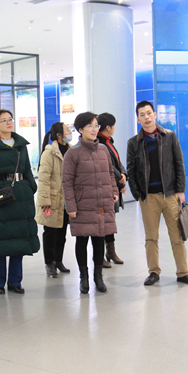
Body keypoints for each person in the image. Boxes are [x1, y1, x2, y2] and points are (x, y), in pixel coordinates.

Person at [126, 101, 188, 287]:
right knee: (151, 238)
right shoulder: (133, 143)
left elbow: (179, 164)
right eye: (142, 114)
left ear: (155, 115)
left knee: (177, 237)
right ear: (138, 119)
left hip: (170, 195)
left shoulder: (169, 136)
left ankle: (183, 273)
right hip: (148, 198)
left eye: (149, 113)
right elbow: (131, 170)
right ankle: (153, 272)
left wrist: (180, 190)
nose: (146, 117)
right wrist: (137, 194)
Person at [62, 112, 118, 294]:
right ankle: (84, 277)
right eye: (90, 126)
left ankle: (98, 277)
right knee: (82, 240)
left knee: (99, 240)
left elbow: (110, 174)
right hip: (82, 204)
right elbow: (67, 182)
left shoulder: (103, 150)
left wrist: (114, 191)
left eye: (96, 126)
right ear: (80, 129)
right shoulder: (73, 153)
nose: (94, 130)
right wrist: (70, 206)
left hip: (101, 203)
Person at [0, 110, 39, 295]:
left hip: (21, 196)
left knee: (18, 241)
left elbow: (27, 169)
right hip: (1, 197)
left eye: (10, 119)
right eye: (4, 121)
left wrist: (31, 187)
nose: (8, 123)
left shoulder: (21, 145)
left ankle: (15, 281)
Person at [35, 122, 73, 278]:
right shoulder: (49, 153)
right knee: (50, 232)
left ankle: (59, 260)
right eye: (67, 130)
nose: (70, 132)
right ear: (59, 135)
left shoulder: (71, 151)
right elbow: (43, 179)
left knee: (62, 233)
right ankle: (49, 262)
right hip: (52, 199)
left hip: (66, 199)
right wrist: (45, 201)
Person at [97, 113, 127, 268]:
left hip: (113, 185)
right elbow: (108, 165)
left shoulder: (109, 141)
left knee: (109, 221)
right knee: (103, 222)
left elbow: (117, 162)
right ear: (108, 127)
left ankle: (111, 252)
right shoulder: (99, 143)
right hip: (105, 187)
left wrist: (124, 174)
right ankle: (100, 255)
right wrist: (120, 178)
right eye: (113, 125)